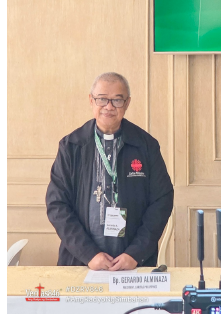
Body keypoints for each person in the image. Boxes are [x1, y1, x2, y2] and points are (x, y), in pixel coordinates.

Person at [46, 72, 174, 270]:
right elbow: (57, 205)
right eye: (102, 99)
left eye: (117, 100)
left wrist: (135, 253)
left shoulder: (145, 145)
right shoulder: (71, 146)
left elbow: (162, 200)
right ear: (91, 101)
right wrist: (89, 254)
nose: (109, 107)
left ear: (127, 103)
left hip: (132, 264)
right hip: (80, 262)